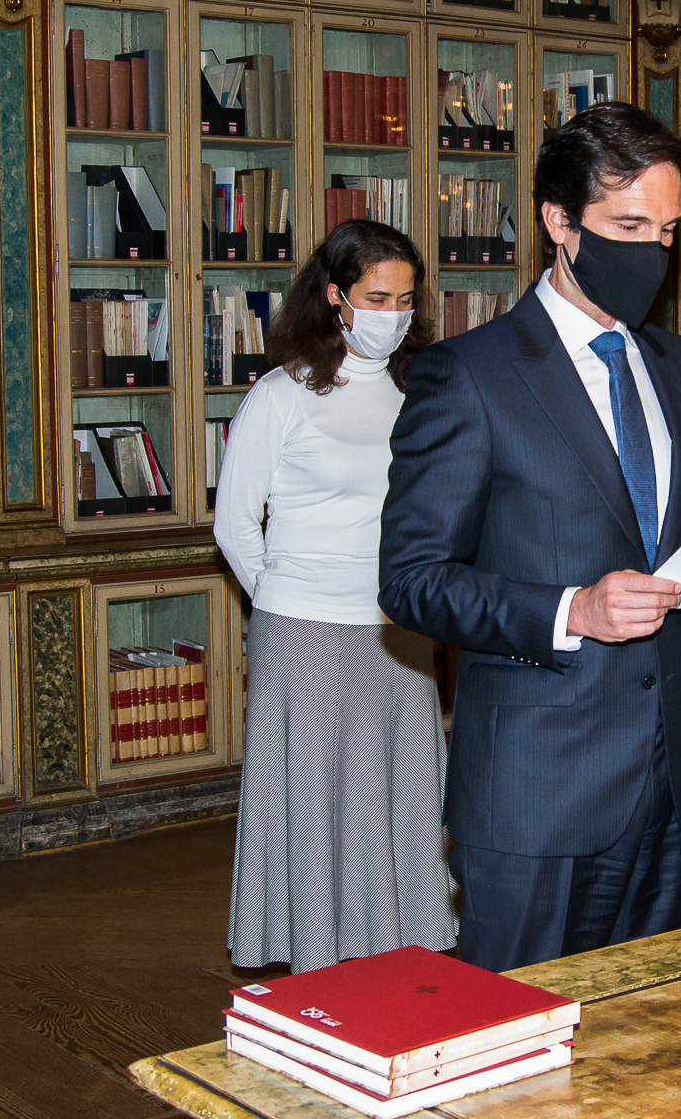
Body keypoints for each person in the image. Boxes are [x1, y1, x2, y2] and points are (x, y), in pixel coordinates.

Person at [379, 101, 681, 972]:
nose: (652, 253)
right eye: (628, 227)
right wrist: (573, 611)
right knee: (520, 1035)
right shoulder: (469, 375)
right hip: (538, 791)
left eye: (667, 232)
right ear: (558, 222)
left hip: (673, 785)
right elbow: (412, 580)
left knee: (654, 1029)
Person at [214, 219, 457, 973]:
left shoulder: (422, 392)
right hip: (303, 625)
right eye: (376, 298)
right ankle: (315, 951)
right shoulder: (280, 395)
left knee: (403, 787)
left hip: (397, 624)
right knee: (313, 797)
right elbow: (234, 524)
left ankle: (404, 939)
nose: (393, 315)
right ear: (334, 296)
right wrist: (285, 600)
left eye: (406, 301)